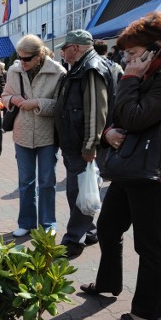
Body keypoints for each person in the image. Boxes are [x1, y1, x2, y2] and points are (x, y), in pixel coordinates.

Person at [80, 12, 161, 320]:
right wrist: (109, 131)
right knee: (109, 228)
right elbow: (121, 114)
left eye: (133, 53)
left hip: (157, 173)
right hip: (133, 166)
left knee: (150, 245)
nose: (126, 59)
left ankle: (147, 309)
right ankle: (108, 283)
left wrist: (129, 78)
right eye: (125, 54)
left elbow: (137, 117)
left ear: (155, 47)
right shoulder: (148, 71)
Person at [54, 29, 114, 259]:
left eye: (65, 47)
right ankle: (88, 231)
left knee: (79, 192)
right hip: (74, 143)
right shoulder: (81, 66)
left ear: (76, 48)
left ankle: (73, 240)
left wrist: (90, 144)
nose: (62, 52)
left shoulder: (91, 68)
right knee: (77, 191)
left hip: (82, 145)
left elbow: (95, 110)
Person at [2, 34, 67, 238]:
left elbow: (61, 105)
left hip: (47, 135)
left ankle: (47, 223)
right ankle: (26, 222)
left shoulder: (57, 72)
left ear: (39, 55)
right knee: (25, 181)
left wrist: (37, 103)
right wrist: (13, 98)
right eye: (19, 57)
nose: (22, 62)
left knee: (47, 181)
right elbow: (4, 95)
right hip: (22, 133)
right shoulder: (14, 70)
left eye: (27, 58)